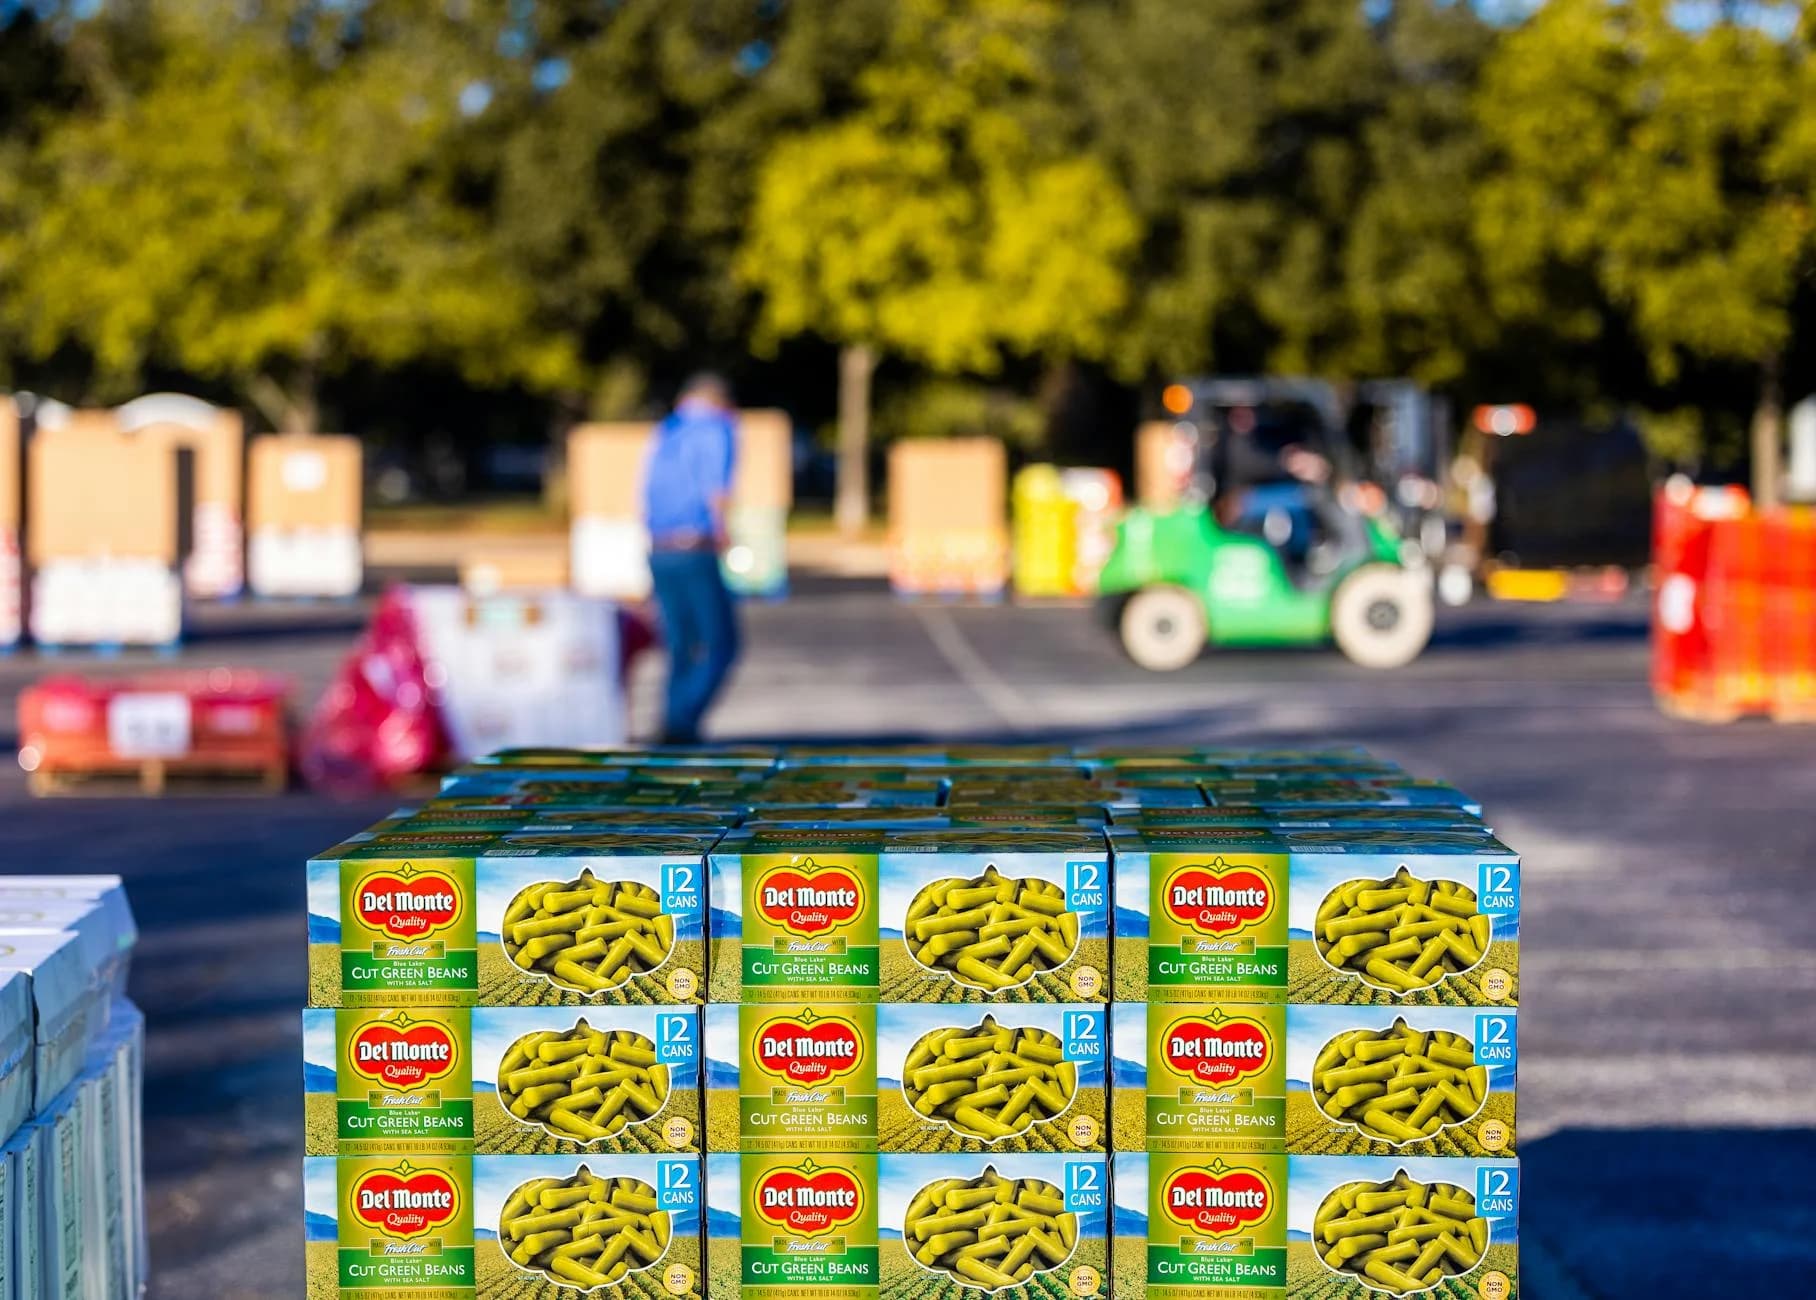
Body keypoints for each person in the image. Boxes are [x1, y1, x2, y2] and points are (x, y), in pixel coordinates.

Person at [642, 373, 740, 743]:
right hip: (694, 546)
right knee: (722, 642)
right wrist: (724, 531)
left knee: (679, 644)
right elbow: (715, 487)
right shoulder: (717, 428)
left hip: (658, 547)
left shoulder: (666, 431)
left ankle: (672, 721)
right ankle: (682, 720)